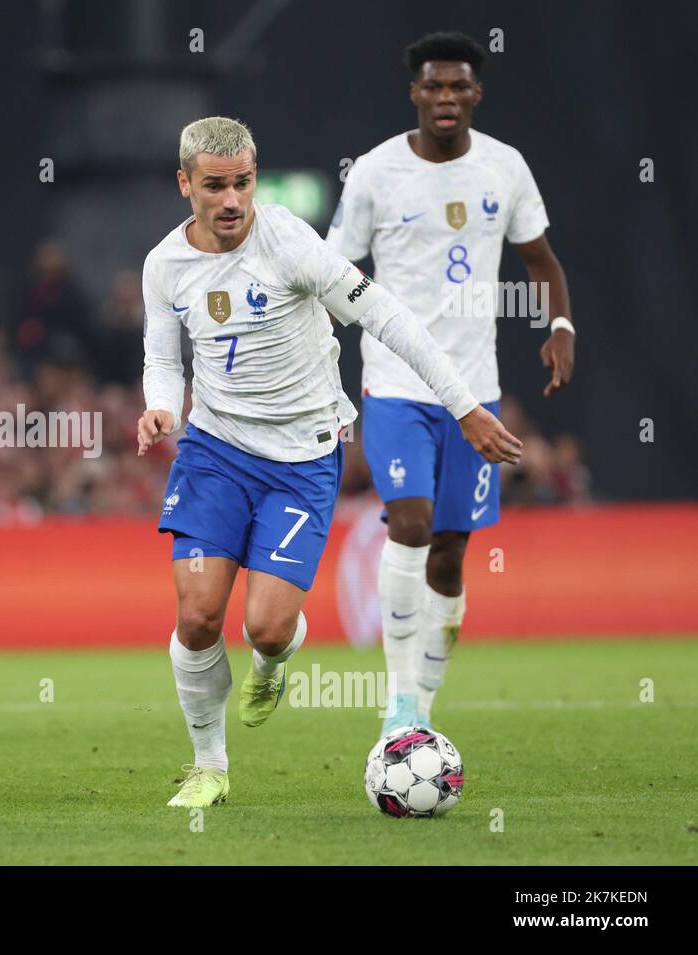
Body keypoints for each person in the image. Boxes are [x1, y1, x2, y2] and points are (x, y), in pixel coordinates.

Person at [137, 116, 521, 808]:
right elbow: (163, 359)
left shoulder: (290, 243)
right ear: (184, 184)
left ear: (256, 177)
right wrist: (161, 404)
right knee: (196, 616)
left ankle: (274, 658)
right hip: (215, 451)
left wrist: (463, 405)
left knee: (268, 627)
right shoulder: (165, 265)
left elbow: (390, 318)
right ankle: (209, 766)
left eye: (243, 183)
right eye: (215, 186)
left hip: (303, 456)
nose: (231, 200)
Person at [326, 31, 575, 735]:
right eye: (432, 86)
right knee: (408, 523)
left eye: (457, 86)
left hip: (475, 390)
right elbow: (333, 273)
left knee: (451, 550)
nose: (444, 97)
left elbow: (543, 261)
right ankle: (397, 705)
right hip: (395, 384)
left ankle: (422, 713)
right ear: (414, 93)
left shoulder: (505, 168)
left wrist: (561, 328)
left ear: (475, 93)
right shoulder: (375, 172)